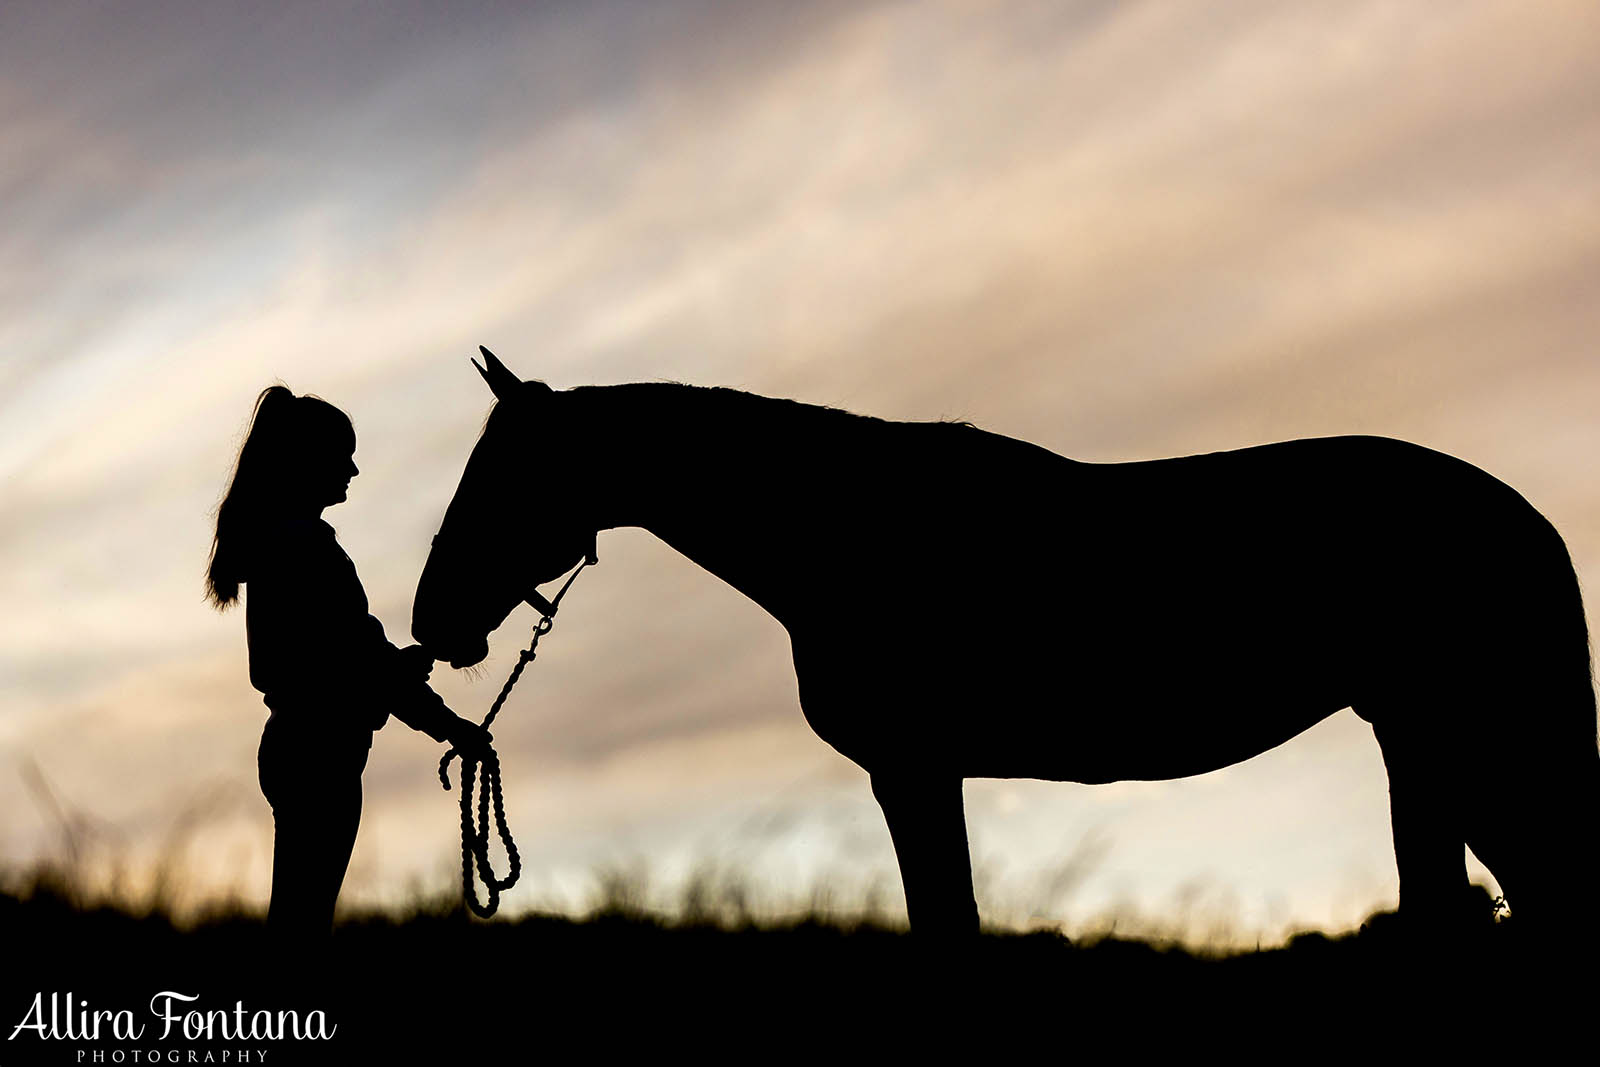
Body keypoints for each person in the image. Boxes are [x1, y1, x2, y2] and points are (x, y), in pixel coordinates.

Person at [205, 385, 490, 938]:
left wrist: (430, 708)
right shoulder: (303, 549)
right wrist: (432, 711)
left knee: (298, 918)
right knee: (302, 925)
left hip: (304, 746)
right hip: (319, 751)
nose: (354, 469)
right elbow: (349, 662)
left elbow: (351, 657)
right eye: (343, 455)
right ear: (308, 461)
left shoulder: (288, 545)